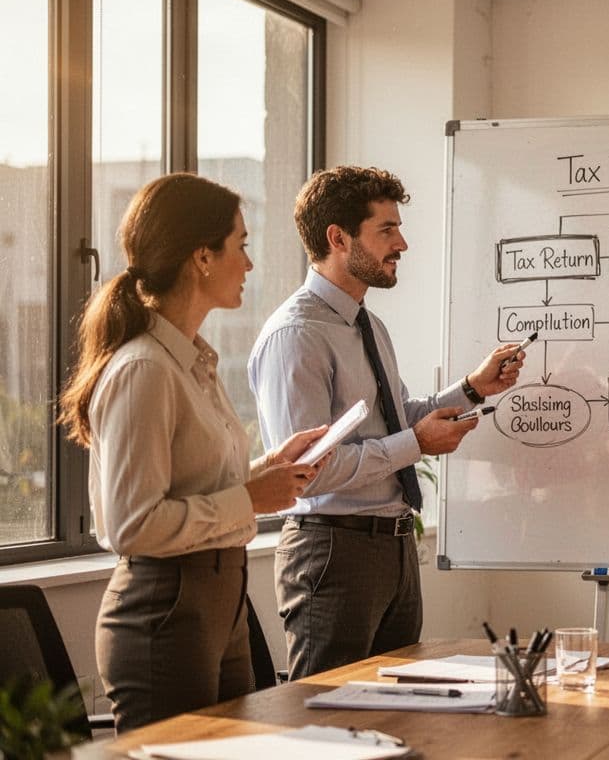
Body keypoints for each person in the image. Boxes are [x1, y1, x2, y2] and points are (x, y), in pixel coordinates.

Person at [56, 173, 327, 731]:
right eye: (241, 245)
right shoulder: (144, 370)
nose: (249, 264)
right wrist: (251, 499)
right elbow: (133, 525)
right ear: (202, 257)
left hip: (219, 603)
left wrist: (270, 468)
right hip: (167, 609)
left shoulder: (192, 362)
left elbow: (195, 483)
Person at [248, 165, 525, 678]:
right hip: (333, 550)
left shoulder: (368, 324)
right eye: (387, 230)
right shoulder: (297, 335)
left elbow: (393, 421)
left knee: (399, 707)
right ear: (338, 238)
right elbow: (309, 471)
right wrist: (416, 443)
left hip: (393, 549)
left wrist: (472, 388)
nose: (402, 244)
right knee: (326, 712)